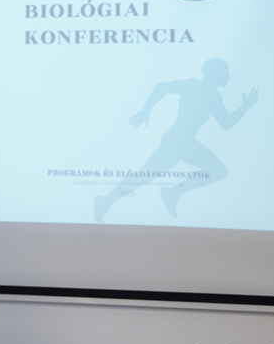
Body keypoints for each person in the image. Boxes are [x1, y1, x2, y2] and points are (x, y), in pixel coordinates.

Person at [94, 58, 257, 222]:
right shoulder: (197, 87)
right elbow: (162, 87)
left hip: (180, 142)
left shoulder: (213, 96)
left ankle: (109, 201)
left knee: (144, 177)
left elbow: (226, 123)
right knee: (145, 176)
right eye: (225, 72)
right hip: (177, 142)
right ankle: (170, 193)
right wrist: (145, 111)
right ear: (214, 73)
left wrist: (245, 107)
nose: (228, 76)